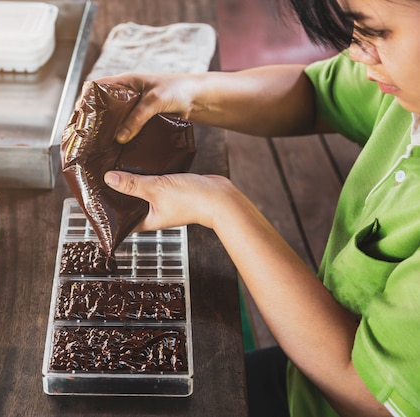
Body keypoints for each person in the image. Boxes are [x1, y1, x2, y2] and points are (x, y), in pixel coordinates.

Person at [93, 0, 420, 416]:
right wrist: (184, 91)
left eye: (375, 32)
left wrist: (221, 205)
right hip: (305, 377)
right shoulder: (403, 86)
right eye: (353, 27)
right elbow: (315, 93)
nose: (356, 51)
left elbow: (370, 398)